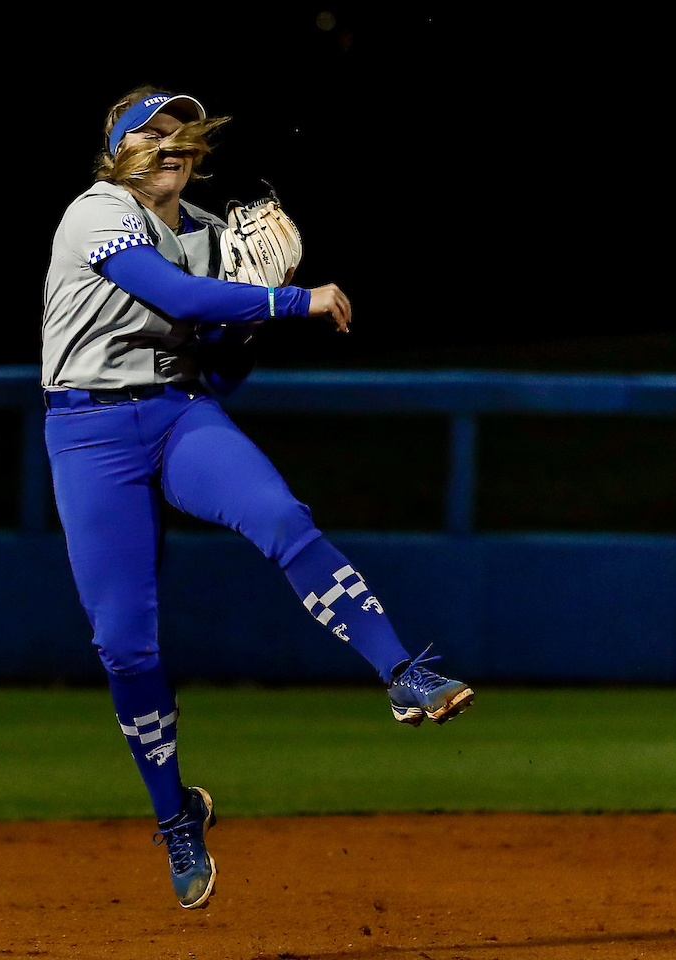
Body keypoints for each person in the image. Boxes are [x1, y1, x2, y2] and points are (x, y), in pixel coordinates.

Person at [41, 86, 475, 910]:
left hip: (176, 415)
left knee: (280, 514)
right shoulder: (95, 213)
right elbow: (177, 298)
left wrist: (248, 324)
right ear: (119, 151)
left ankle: (404, 674)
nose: (169, 143)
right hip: (88, 433)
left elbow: (223, 368)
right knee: (125, 647)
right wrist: (288, 299)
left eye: (180, 132)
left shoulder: (208, 234)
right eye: (150, 133)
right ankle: (175, 816)